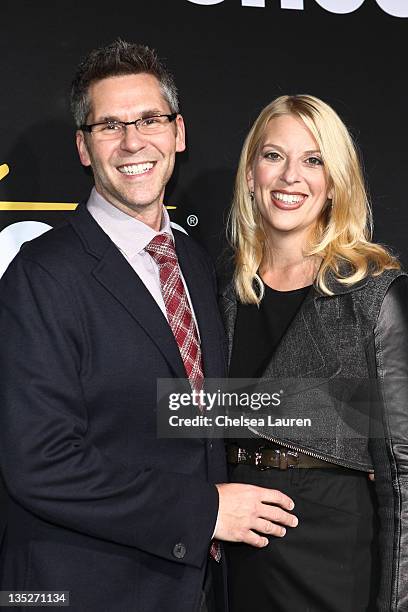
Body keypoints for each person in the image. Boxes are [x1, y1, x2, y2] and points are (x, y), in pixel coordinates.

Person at [0, 41, 297, 612]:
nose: (133, 141)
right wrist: (206, 511)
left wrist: (350, 424)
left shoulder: (190, 259)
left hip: (194, 589)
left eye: (150, 120)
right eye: (110, 125)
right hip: (86, 587)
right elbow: (40, 462)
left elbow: (192, 410)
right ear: (83, 147)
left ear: (178, 133)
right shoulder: (40, 277)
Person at [220, 94, 408, 611]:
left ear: (335, 182)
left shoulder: (375, 295)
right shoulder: (222, 292)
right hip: (232, 561)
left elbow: (404, 476)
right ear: (251, 173)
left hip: (331, 558)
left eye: (313, 160)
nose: (290, 178)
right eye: (273, 155)